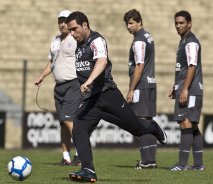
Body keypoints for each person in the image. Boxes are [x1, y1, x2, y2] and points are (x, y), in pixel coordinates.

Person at [65, 11, 167, 183]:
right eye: (70, 31)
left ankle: (153, 127)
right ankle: (88, 169)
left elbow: (102, 61)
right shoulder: (79, 46)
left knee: (136, 128)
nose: (72, 33)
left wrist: (89, 81)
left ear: (85, 25)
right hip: (90, 101)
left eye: (74, 29)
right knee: (78, 129)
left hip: (107, 94)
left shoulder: (96, 40)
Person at [34, 10, 81, 166]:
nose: (62, 24)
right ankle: (66, 157)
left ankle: (81, 154)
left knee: (68, 120)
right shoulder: (55, 41)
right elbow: (52, 62)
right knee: (63, 122)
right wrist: (42, 75)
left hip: (73, 84)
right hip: (59, 86)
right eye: (60, 21)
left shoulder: (75, 39)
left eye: (65, 21)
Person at [169, 10, 204, 171]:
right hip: (188, 88)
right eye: (176, 23)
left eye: (182, 23)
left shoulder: (190, 42)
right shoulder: (183, 41)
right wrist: (176, 86)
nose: (178, 26)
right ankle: (198, 165)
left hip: (191, 90)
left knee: (186, 123)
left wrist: (184, 89)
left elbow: (192, 66)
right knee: (193, 126)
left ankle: (182, 164)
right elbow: (183, 69)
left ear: (189, 23)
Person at [123, 9, 158, 169]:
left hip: (141, 86)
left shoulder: (138, 41)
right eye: (127, 24)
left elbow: (139, 65)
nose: (129, 26)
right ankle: (151, 160)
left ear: (139, 22)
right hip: (151, 84)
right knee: (148, 121)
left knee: (140, 121)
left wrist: (131, 89)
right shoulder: (148, 36)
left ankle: (145, 161)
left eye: (131, 23)